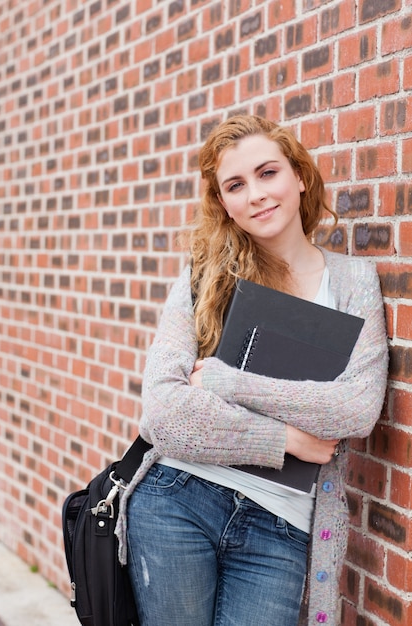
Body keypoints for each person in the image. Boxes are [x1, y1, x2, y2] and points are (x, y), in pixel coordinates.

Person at [115, 115, 388, 625]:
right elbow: (165, 415)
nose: (257, 194)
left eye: (268, 173)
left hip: (280, 525)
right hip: (179, 502)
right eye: (236, 185)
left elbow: (356, 408)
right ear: (223, 204)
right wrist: (286, 437)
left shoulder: (353, 282)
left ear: (299, 177)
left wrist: (225, 381)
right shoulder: (203, 279)